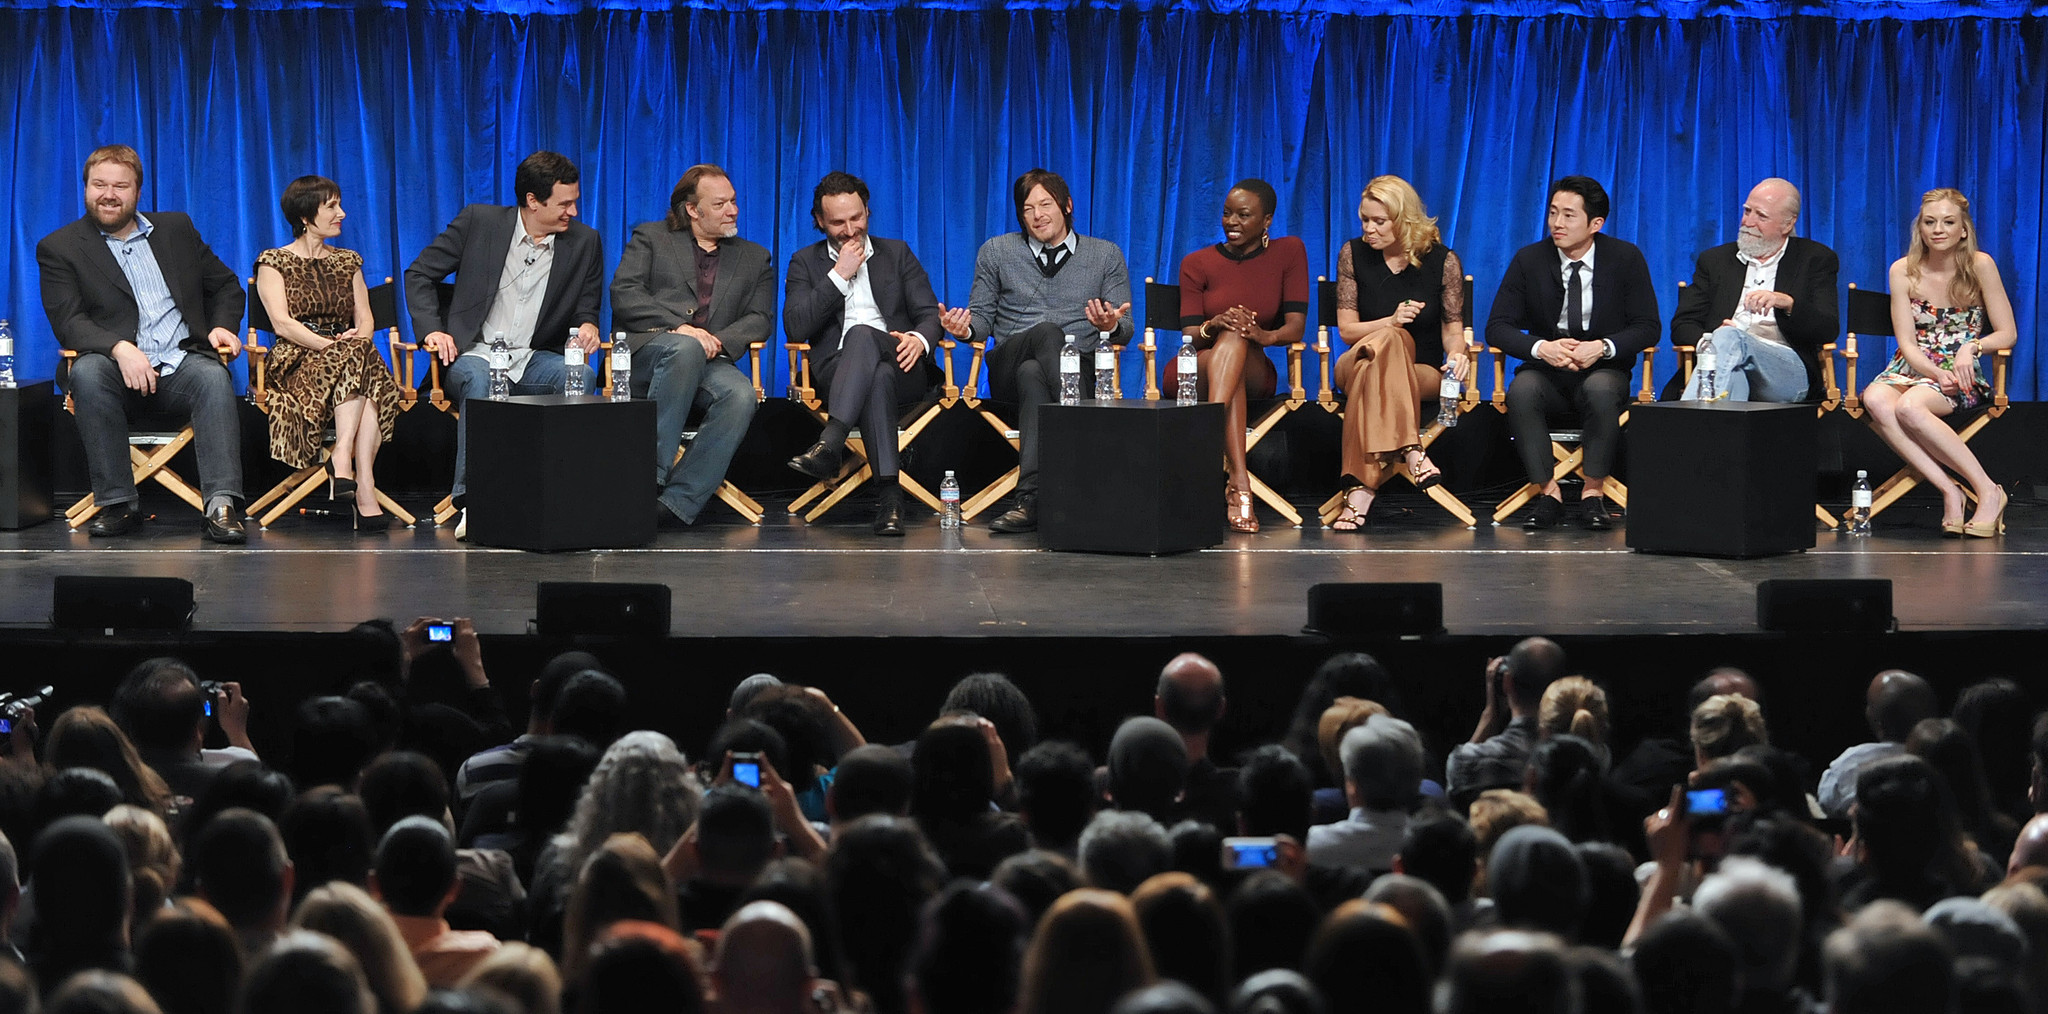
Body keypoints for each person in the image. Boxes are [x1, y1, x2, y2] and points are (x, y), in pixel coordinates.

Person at [36, 144, 249, 543]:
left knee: (212, 376)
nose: (109, 194)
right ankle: (117, 504)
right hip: (113, 377)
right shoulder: (60, 247)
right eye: (99, 184)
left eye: (120, 185)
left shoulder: (176, 230)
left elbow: (225, 286)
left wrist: (222, 326)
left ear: (137, 191)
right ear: (86, 188)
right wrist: (120, 348)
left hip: (178, 368)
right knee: (86, 369)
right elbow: (69, 322)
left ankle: (221, 505)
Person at [403, 151, 605, 540]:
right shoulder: (479, 221)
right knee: (482, 383)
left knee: (579, 374)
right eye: (564, 203)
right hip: (474, 354)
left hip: (531, 358)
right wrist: (432, 330)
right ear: (533, 200)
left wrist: (588, 325)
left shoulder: (585, 242)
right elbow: (419, 274)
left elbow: (587, 305)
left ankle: (563, 498)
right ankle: (476, 503)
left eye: (575, 201)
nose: (574, 211)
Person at [941, 168, 1133, 534]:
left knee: (1035, 374)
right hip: (1007, 367)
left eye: (1045, 204)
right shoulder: (996, 251)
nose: (1037, 215)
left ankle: (1028, 499)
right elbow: (980, 319)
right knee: (1043, 337)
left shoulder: (1105, 254)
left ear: (1067, 205)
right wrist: (963, 329)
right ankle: (1086, 441)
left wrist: (1109, 325)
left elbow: (1125, 324)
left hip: (1081, 367)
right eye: (1028, 209)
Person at [1486, 175, 1660, 530]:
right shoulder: (1529, 259)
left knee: (1600, 391)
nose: (1556, 224)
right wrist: (1541, 348)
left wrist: (1603, 347)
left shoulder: (1625, 258)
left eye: (1568, 215)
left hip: (1603, 369)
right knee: (1522, 391)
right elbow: (1497, 326)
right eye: (1552, 213)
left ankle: (1592, 494)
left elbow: (1648, 326)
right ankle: (1547, 492)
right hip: (1547, 370)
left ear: (1595, 224)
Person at [610, 164, 773, 528]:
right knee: (685, 348)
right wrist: (682, 328)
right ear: (693, 210)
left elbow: (760, 317)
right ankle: (646, 477)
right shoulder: (651, 238)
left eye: (733, 201)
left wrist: (716, 342)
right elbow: (624, 293)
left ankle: (676, 503)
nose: (732, 210)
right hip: (650, 353)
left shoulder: (754, 257)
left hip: (710, 360)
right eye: (720, 204)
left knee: (741, 395)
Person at [782, 171, 943, 537]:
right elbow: (795, 327)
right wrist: (839, 276)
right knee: (875, 374)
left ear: (868, 211)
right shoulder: (804, 263)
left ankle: (831, 443)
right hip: (837, 373)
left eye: (856, 218)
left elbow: (929, 314)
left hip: (903, 363)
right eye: (837, 222)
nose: (850, 229)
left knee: (870, 344)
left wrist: (919, 339)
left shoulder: (897, 253)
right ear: (819, 221)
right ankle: (890, 499)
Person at [1862, 187, 2017, 537]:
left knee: (1911, 408)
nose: (1938, 229)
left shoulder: (1981, 265)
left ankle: (1988, 490)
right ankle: (1949, 490)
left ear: (1963, 229)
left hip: (1962, 367)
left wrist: (1971, 348)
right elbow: (1906, 340)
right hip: (1914, 364)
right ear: (1920, 228)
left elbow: (2007, 333)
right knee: (1874, 399)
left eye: (1948, 222)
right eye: (1930, 222)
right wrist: (1931, 371)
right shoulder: (1903, 270)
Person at [253, 175, 403, 530]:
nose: (342, 214)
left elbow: (365, 319)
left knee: (361, 357)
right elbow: (282, 324)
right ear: (305, 217)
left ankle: (353, 469)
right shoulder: (273, 262)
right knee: (361, 362)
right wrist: (333, 346)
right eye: (332, 207)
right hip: (296, 360)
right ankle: (359, 479)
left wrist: (353, 343)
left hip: (349, 355)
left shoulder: (348, 261)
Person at [1329, 175, 1472, 530]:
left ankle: (1360, 490)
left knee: (1379, 365)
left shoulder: (1443, 261)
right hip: (1356, 358)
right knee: (1390, 339)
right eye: (1364, 219)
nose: (1369, 230)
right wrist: (1390, 321)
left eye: (1379, 221)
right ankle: (1411, 448)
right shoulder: (1352, 254)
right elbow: (1347, 331)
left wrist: (1459, 353)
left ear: (1404, 220)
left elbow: (1453, 330)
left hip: (1417, 371)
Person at [1174, 179, 1308, 533]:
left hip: (1253, 369)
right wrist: (1214, 323)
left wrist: (1264, 335)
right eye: (1227, 213)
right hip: (1196, 368)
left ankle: (1206, 438)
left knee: (1236, 342)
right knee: (1229, 337)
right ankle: (1239, 480)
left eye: (1244, 215)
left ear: (1267, 220)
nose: (1231, 221)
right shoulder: (1196, 263)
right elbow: (1189, 335)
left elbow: (1296, 327)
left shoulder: (1289, 251)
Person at [1671, 178, 1840, 404]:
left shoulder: (1815, 259)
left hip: (1785, 371)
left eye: (1761, 216)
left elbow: (1828, 329)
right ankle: (1711, 435)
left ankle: (1689, 423)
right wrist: (1711, 344)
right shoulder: (1715, 261)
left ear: (1787, 224)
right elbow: (1683, 325)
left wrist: (1788, 303)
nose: (1748, 222)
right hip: (1724, 363)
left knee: (1730, 337)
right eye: (1747, 211)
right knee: (1734, 373)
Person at [1445, 637, 1567, 808]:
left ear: (1507, 682)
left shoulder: (1467, 760)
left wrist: (1490, 716)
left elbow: (1458, 779)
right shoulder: (1577, 760)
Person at [1817, 669, 1937, 819]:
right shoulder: (1943, 760)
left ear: (1878, 725)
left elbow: (1827, 802)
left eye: (1869, 705)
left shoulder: (1847, 765)